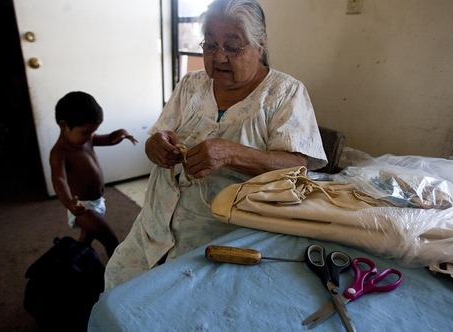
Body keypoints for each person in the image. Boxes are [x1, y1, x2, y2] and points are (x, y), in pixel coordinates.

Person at [104, 0, 327, 289]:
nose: (219, 57)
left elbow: (297, 166)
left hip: (219, 235)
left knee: (178, 307)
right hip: (155, 223)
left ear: (260, 46)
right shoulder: (191, 84)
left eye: (232, 47)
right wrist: (155, 146)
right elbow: (157, 135)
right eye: (210, 45)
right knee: (118, 287)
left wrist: (232, 153)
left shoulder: (285, 93)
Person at [50, 91, 138, 257]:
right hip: (82, 208)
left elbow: (109, 139)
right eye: (85, 132)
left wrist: (121, 132)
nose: (90, 136)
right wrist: (69, 203)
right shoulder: (60, 152)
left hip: (97, 201)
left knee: (86, 238)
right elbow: (59, 179)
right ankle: (117, 273)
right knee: (110, 238)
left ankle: (72, 261)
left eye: (93, 132)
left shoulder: (86, 138)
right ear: (64, 125)